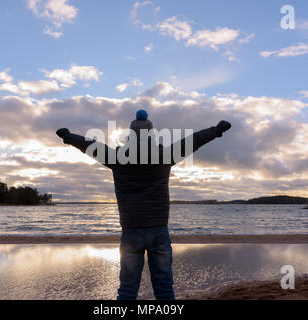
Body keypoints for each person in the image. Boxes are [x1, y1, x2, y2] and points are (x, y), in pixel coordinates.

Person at [56, 110, 231, 300]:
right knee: (164, 287)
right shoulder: (164, 155)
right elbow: (193, 140)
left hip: (131, 230)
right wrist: (216, 130)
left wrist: (68, 136)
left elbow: (91, 145)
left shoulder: (118, 157)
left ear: (131, 134)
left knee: (127, 289)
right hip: (158, 230)